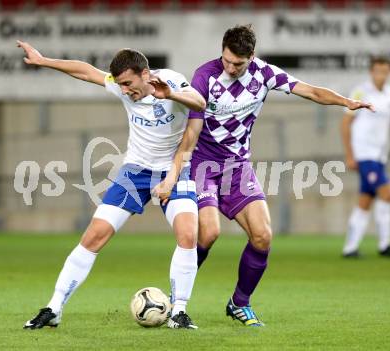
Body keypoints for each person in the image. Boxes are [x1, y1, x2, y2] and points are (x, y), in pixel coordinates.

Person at [153, 24, 372, 327]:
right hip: (202, 165)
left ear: (252, 57)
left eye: (238, 63)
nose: (230, 68)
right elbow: (192, 130)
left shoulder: (265, 74)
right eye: (227, 60)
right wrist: (175, 173)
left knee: (263, 235)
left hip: (238, 167)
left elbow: (310, 90)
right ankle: (177, 299)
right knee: (209, 232)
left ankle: (239, 302)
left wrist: (346, 102)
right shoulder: (205, 76)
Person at [17, 40, 206, 330]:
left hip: (175, 169)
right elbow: (86, 71)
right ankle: (54, 308)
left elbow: (200, 103)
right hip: (134, 172)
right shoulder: (122, 86)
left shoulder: (170, 81)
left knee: (188, 234)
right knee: (94, 236)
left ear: (145, 74)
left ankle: (179, 312)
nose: (125, 90)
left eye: (129, 83)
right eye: (120, 84)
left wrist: (173, 95)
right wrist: (44, 61)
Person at [341, 56, 390, 258]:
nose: (381, 75)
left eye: (385, 71)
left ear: (389, 72)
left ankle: (350, 248)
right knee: (387, 193)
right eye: (378, 71)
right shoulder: (360, 92)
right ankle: (384, 245)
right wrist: (350, 155)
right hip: (364, 154)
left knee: (366, 199)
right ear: (371, 72)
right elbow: (345, 124)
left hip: (379, 155)